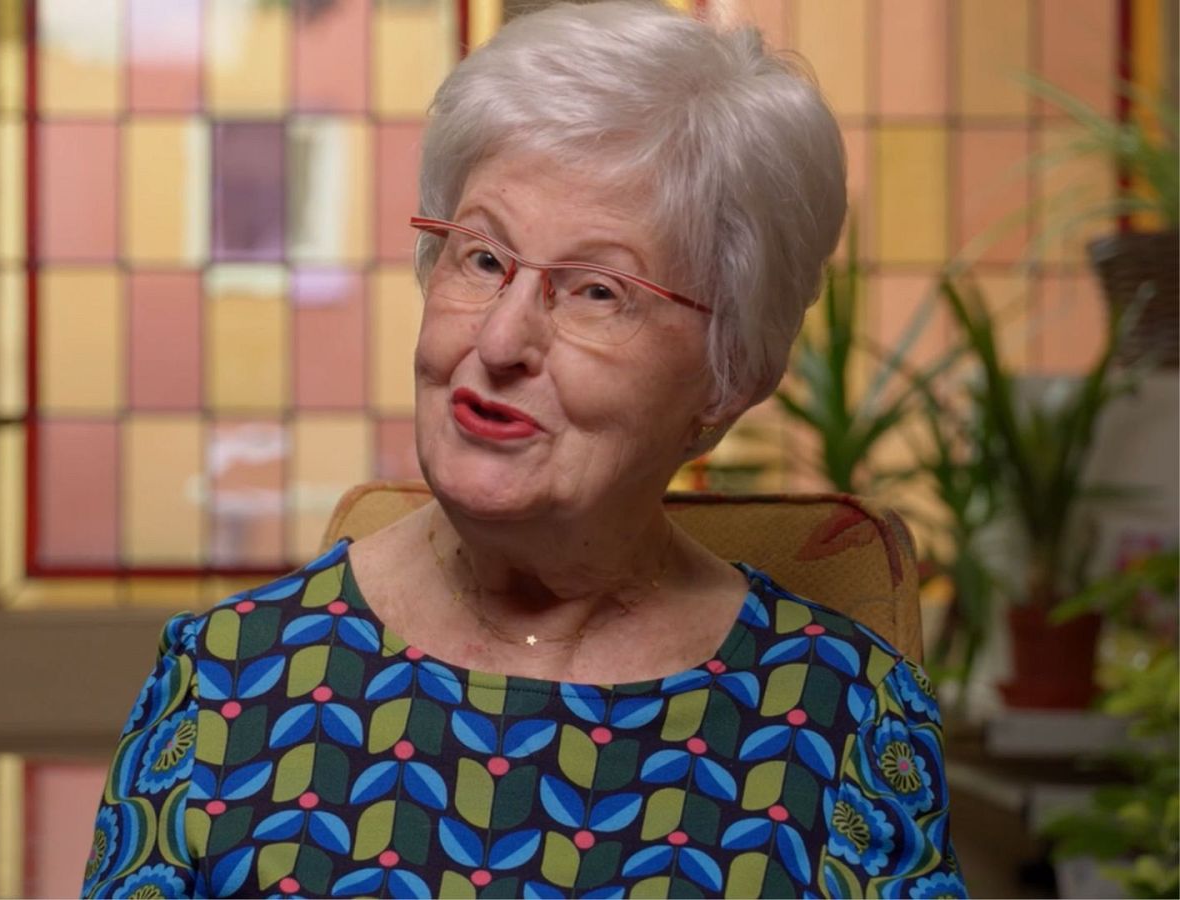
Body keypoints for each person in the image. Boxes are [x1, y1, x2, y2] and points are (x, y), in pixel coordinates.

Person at [82, 2, 965, 897]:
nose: (500, 341)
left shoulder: (845, 718)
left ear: (728, 371)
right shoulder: (225, 679)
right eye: (482, 258)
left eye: (597, 290)